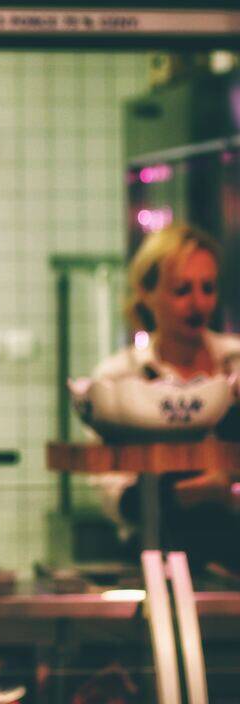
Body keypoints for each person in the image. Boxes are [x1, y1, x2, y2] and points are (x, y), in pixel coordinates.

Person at [93, 224, 240, 566]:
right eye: (181, 290)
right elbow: (115, 497)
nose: (197, 303)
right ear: (146, 292)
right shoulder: (118, 378)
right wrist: (190, 495)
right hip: (154, 552)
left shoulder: (235, 362)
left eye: (207, 288)